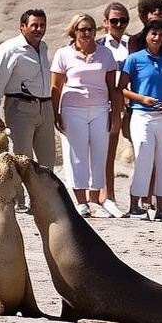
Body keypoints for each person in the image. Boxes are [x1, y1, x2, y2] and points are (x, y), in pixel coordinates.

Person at [0, 8, 55, 211]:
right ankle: (19, 201)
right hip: (20, 107)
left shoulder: (43, 47)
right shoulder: (10, 49)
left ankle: (41, 201)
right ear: (22, 27)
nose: (39, 29)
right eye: (34, 25)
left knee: (47, 159)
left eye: (42, 25)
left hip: (45, 107)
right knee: (21, 158)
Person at [51, 13, 119, 218]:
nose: (87, 33)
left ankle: (94, 198)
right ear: (74, 31)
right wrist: (57, 113)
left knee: (99, 153)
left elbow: (112, 87)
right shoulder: (63, 54)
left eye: (91, 29)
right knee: (77, 155)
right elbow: (56, 86)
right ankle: (81, 202)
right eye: (83, 29)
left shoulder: (105, 54)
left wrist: (115, 114)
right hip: (73, 109)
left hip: (100, 108)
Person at [119, 20, 162, 222]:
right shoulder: (134, 59)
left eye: (161, 34)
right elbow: (122, 88)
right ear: (146, 36)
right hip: (141, 115)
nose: (157, 38)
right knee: (144, 157)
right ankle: (135, 205)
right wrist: (141, 98)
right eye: (153, 33)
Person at [96, 2, 131, 219]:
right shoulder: (99, 44)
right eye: (114, 20)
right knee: (106, 151)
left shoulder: (133, 43)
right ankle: (106, 196)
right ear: (105, 22)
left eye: (123, 20)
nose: (118, 24)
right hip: (108, 100)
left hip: (132, 101)